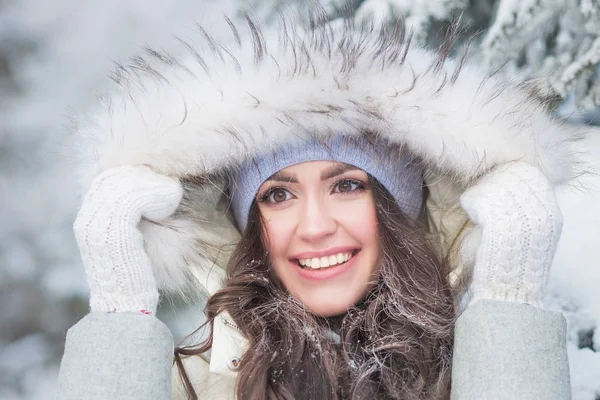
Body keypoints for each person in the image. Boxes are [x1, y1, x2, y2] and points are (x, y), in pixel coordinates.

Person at [56, 12, 580, 400]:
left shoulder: (476, 371)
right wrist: (119, 313)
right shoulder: (184, 387)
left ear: (399, 207)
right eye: (277, 195)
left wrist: (510, 304)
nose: (313, 226)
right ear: (250, 225)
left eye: (347, 185)